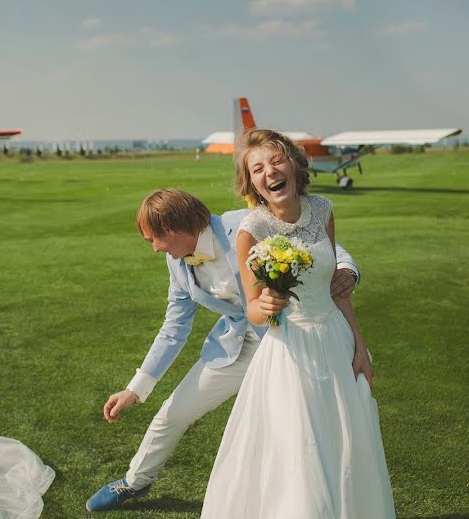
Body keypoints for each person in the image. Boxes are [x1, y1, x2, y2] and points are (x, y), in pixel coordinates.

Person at [86, 188, 360, 512]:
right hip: (234, 348)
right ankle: (135, 482)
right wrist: (135, 389)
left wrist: (347, 269)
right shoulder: (177, 263)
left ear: (171, 230)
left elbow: (317, 242)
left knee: (292, 430)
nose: (155, 248)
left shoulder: (246, 223)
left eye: (152, 240)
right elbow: (174, 329)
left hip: (288, 344)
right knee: (171, 414)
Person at [201, 129, 395, 518]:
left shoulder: (322, 210)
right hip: (291, 354)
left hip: (337, 345)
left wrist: (360, 347)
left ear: (293, 164)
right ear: (252, 182)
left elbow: (336, 288)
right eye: (258, 168)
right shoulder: (251, 231)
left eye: (276, 161)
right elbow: (253, 309)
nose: (270, 172)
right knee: (300, 456)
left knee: (346, 446)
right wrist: (267, 304)